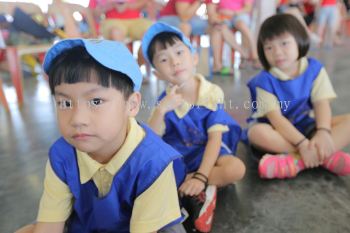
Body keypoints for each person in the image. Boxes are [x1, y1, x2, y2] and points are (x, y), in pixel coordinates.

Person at [15, 38, 187, 233]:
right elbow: (49, 225)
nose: (77, 119)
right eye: (65, 103)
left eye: (96, 101)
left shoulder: (154, 163)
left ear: (131, 104)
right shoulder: (62, 153)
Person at [142, 22, 246, 232]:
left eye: (180, 52)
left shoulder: (211, 92)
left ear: (195, 58)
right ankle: (203, 197)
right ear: (157, 74)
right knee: (148, 175)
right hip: (180, 155)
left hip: (210, 151)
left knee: (236, 168)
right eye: (164, 59)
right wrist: (160, 111)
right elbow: (149, 142)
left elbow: (215, 139)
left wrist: (200, 176)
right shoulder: (166, 101)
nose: (174, 61)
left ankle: (192, 187)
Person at [245, 14, 350, 179]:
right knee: (256, 133)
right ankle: (324, 156)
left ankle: (296, 162)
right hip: (278, 131)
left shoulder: (314, 69)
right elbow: (276, 120)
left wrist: (323, 132)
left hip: (308, 125)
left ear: (299, 40)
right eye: (269, 47)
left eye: (284, 43)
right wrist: (302, 144)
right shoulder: (263, 81)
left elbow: (321, 103)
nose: (277, 52)